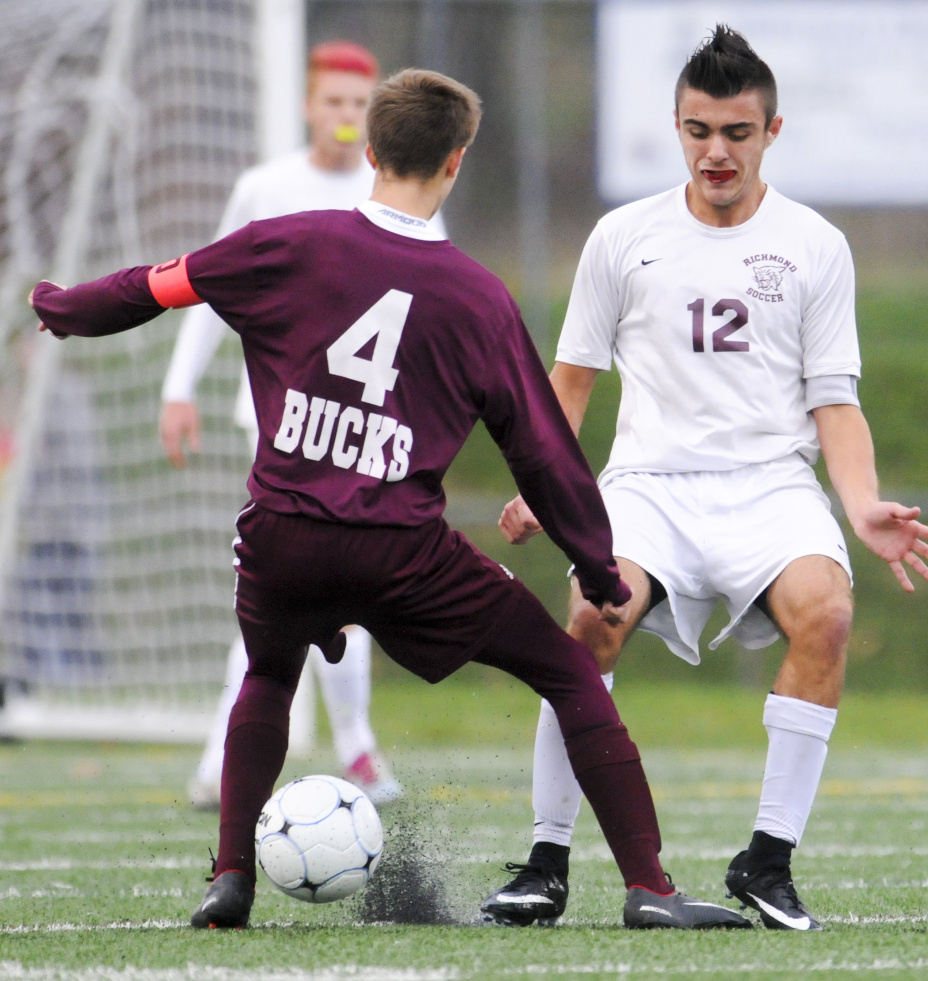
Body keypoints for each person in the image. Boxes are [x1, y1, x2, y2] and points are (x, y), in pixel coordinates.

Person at [31, 68, 753, 932]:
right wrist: (596, 565)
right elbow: (543, 451)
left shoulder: (282, 243)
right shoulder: (479, 297)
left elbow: (153, 287)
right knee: (567, 670)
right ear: (454, 164)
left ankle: (231, 878)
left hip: (284, 532)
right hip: (401, 548)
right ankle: (650, 887)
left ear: (369, 152)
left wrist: (62, 307)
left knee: (266, 673)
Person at [480, 24, 928, 932]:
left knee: (829, 613)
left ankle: (767, 863)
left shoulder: (816, 244)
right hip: (649, 484)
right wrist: (545, 481)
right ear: (677, 126)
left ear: (773, 132)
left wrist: (860, 506)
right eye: (699, 130)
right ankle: (545, 860)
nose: (716, 151)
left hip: (771, 487)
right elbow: (567, 384)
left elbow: (836, 403)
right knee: (592, 619)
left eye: (737, 132)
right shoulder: (623, 236)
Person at [159, 40, 434, 809]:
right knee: (272, 585)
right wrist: (179, 388)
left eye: (359, 105)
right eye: (335, 103)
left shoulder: (397, 194)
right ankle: (239, 751)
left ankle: (353, 745)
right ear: (310, 106)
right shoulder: (266, 187)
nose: (346, 118)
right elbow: (208, 288)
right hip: (278, 427)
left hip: (364, 430)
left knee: (346, 589)